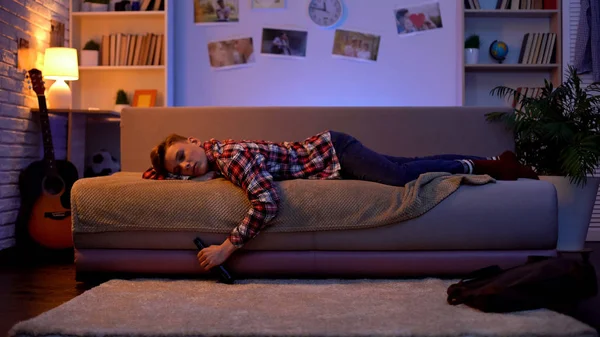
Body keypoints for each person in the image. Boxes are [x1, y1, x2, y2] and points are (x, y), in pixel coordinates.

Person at [144, 130, 538, 271]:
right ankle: (479, 159)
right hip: (331, 156)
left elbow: (266, 202)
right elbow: (152, 173)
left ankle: (491, 165)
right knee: (407, 164)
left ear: (193, 142)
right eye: (177, 170)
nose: (185, 167)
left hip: (336, 151)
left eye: (182, 155)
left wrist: (227, 248)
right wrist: (164, 172)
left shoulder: (230, 157)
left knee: (401, 177)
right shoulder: (213, 152)